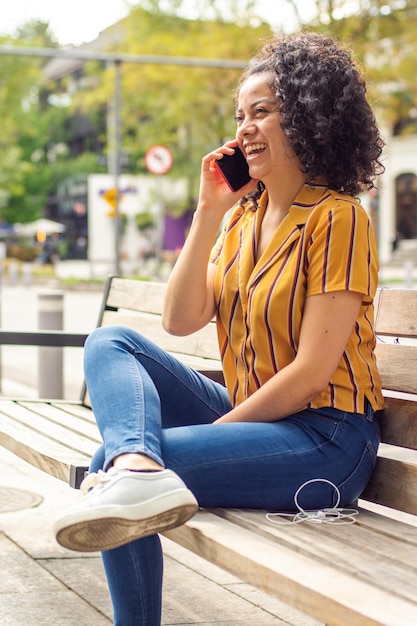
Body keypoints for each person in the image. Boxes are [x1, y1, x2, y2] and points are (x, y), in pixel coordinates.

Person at [54, 31, 385, 625]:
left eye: (262, 112)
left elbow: (311, 373)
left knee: (116, 462)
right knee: (111, 343)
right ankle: (135, 465)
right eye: (240, 117)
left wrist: (220, 430)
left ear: (307, 119)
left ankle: (131, 475)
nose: (244, 130)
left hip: (326, 439)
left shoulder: (339, 218)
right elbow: (178, 320)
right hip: (257, 415)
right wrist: (209, 210)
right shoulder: (241, 219)